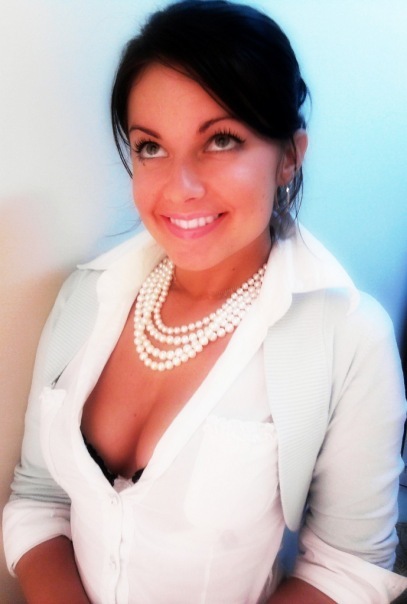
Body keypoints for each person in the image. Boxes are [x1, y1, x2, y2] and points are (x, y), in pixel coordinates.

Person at [3, 1, 407, 602]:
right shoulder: (87, 294)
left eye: (221, 140)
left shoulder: (347, 338)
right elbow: (39, 498)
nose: (180, 187)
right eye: (151, 147)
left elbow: (347, 569)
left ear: (289, 156)